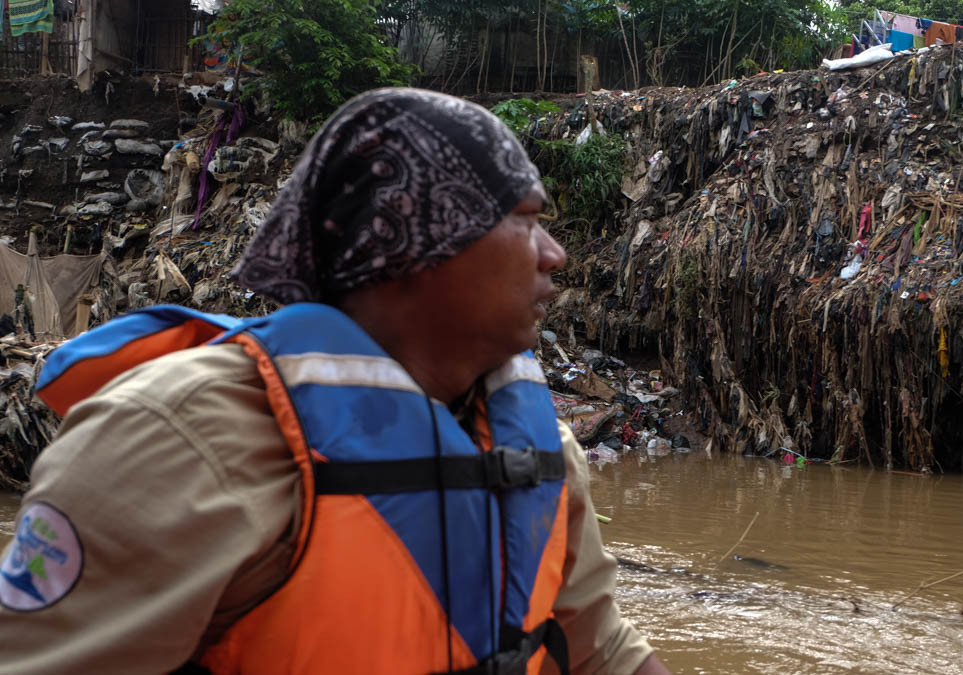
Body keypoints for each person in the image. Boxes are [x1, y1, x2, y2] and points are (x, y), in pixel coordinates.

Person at [0, 88, 670, 675]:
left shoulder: (542, 450)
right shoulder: (174, 436)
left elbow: (600, 648)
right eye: (524, 219)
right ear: (411, 241)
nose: (555, 254)